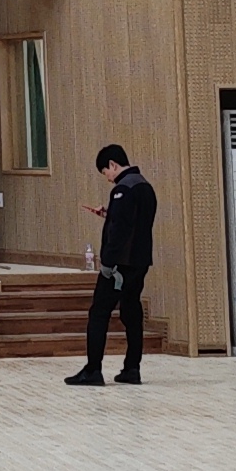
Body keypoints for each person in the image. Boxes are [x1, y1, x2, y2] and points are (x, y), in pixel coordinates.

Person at [68, 143, 155, 386]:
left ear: (113, 165)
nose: (107, 177)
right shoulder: (144, 186)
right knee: (131, 311)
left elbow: (120, 231)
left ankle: (93, 370)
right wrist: (109, 213)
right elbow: (136, 222)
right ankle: (132, 368)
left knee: (99, 313)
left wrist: (107, 263)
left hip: (119, 265)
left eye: (105, 172)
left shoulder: (123, 189)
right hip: (140, 262)